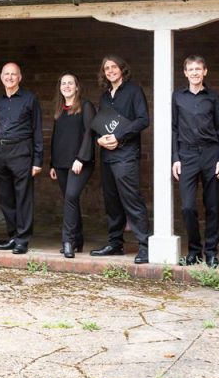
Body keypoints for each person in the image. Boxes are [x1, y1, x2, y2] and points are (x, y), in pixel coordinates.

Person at [91, 55, 151, 264]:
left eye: (113, 67)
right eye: (106, 68)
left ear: (122, 69)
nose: (110, 71)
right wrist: (100, 139)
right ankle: (115, 243)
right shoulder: (106, 95)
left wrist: (118, 137)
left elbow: (143, 120)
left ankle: (145, 246)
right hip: (107, 154)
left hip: (126, 154)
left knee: (131, 199)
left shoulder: (134, 91)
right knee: (112, 201)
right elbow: (102, 123)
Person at [171, 56, 219, 267]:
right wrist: (175, 157)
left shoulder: (214, 98)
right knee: (187, 207)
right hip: (186, 155)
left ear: (205, 71)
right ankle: (194, 251)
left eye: (198, 69)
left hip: (211, 154)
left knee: (212, 206)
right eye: (191, 69)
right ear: (185, 73)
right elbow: (173, 129)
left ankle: (212, 252)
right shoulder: (177, 97)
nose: (195, 72)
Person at [0, 62, 43, 255]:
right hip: (0, 153)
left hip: (22, 151)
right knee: (5, 198)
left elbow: (37, 129)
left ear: (20, 77)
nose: (10, 77)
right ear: (1, 76)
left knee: (23, 197)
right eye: (7, 74)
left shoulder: (30, 99)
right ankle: (12, 235)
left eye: (14, 74)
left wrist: (38, 160)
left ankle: (23, 239)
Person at [48, 73, 95, 259]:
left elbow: (89, 134)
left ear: (77, 87)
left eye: (70, 83)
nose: (66, 86)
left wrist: (81, 159)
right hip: (60, 163)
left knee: (70, 197)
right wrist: (52, 163)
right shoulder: (59, 109)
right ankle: (78, 239)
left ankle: (67, 241)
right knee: (71, 201)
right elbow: (56, 137)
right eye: (63, 83)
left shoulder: (85, 106)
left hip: (79, 163)